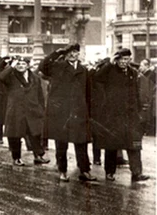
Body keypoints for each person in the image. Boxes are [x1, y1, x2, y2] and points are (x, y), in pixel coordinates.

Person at [39, 43, 95, 182]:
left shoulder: (83, 70)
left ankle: (84, 170)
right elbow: (43, 66)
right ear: (65, 54)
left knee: (81, 142)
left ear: (79, 54)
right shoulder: (57, 67)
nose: (72, 55)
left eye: (75, 52)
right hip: (61, 112)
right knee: (61, 143)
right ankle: (62, 170)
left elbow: (88, 92)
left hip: (79, 111)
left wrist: (88, 110)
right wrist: (57, 53)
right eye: (69, 52)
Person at [92, 49, 150, 182]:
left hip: (130, 115)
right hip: (113, 114)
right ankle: (110, 172)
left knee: (134, 145)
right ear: (117, 60)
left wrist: (138, 111)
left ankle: (136, 173)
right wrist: (110, 64)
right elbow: (97, 77)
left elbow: (136, 92)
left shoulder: (132, 73)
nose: (124, 62)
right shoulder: (109, 71)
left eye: (127, 59)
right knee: (111, 145)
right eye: (122, 59)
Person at [0, 56, 50, 165]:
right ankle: (16, 158)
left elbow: (40, 94)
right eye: (18, 64)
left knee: (35, 134)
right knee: (15, 135)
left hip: (33, 110)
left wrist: (41, 108)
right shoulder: (11, 77)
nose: (21, 66)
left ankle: (38, 156)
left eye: (23, 64)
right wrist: (11, 66)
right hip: (16, 110)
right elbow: (1, 77)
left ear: (28, 65)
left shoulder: (35, 78)